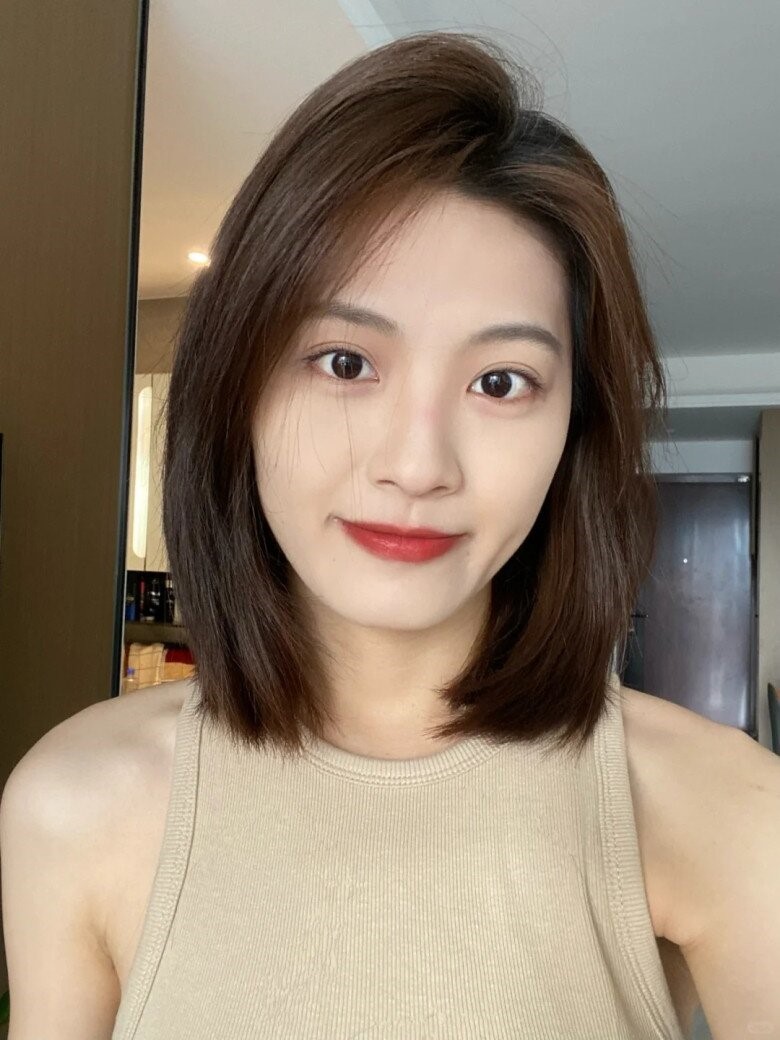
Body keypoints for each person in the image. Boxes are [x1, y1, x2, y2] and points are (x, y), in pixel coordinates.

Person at [1, 30, 779, 1040]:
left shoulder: (722, 805)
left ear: (572, 431)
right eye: (344, 362)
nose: (418, 465)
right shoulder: (72, 800)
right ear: (238, 388)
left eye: (500, 381)